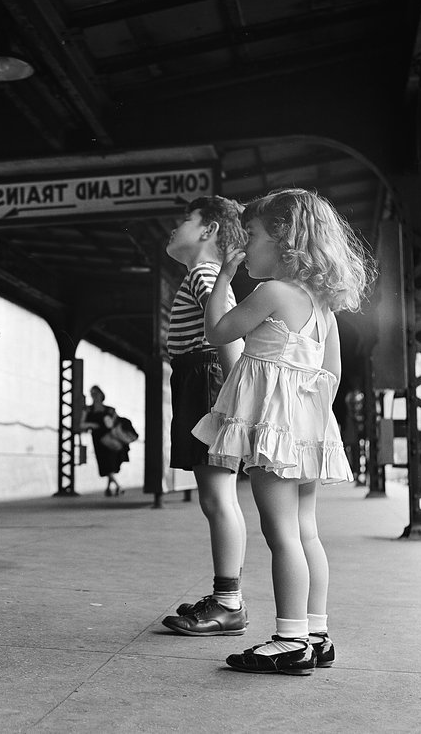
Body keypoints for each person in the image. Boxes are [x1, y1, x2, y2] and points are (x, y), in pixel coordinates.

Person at [192, 188, 375, 675]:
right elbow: (330, 376)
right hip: (307, 431)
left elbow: (217, 332)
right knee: (307, 533)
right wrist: (305, 420)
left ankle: (289, 640)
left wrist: (224, 277)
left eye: (251, 236)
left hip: (275, 434)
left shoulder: (272, 292)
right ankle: (317, 633)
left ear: (283, 238)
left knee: (281, 536)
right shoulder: (323, 309)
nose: (245, 245)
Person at [162, 196, 249, 637]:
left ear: (209, 230)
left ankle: (228, 602)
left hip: (208, 379)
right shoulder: (205, 276)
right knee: (220, 497)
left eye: (184, 220)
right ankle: (227, 597)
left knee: (217, 497)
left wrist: (235, 403)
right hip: (201, 378)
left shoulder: (204, 273)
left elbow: (228, 339)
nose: (174, 228)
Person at [79, 385, 129, 496]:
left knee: (110, 462)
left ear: (101, 395)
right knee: (105, 463)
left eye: (96, 394)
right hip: (98, 439)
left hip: (110, 438)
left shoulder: (110, 410)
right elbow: (81, 424)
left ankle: (109, 488)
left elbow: (116, 423)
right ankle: (117, 486)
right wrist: (92, 424)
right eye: (92, 394)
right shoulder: (88, 409)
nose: (94, 396)